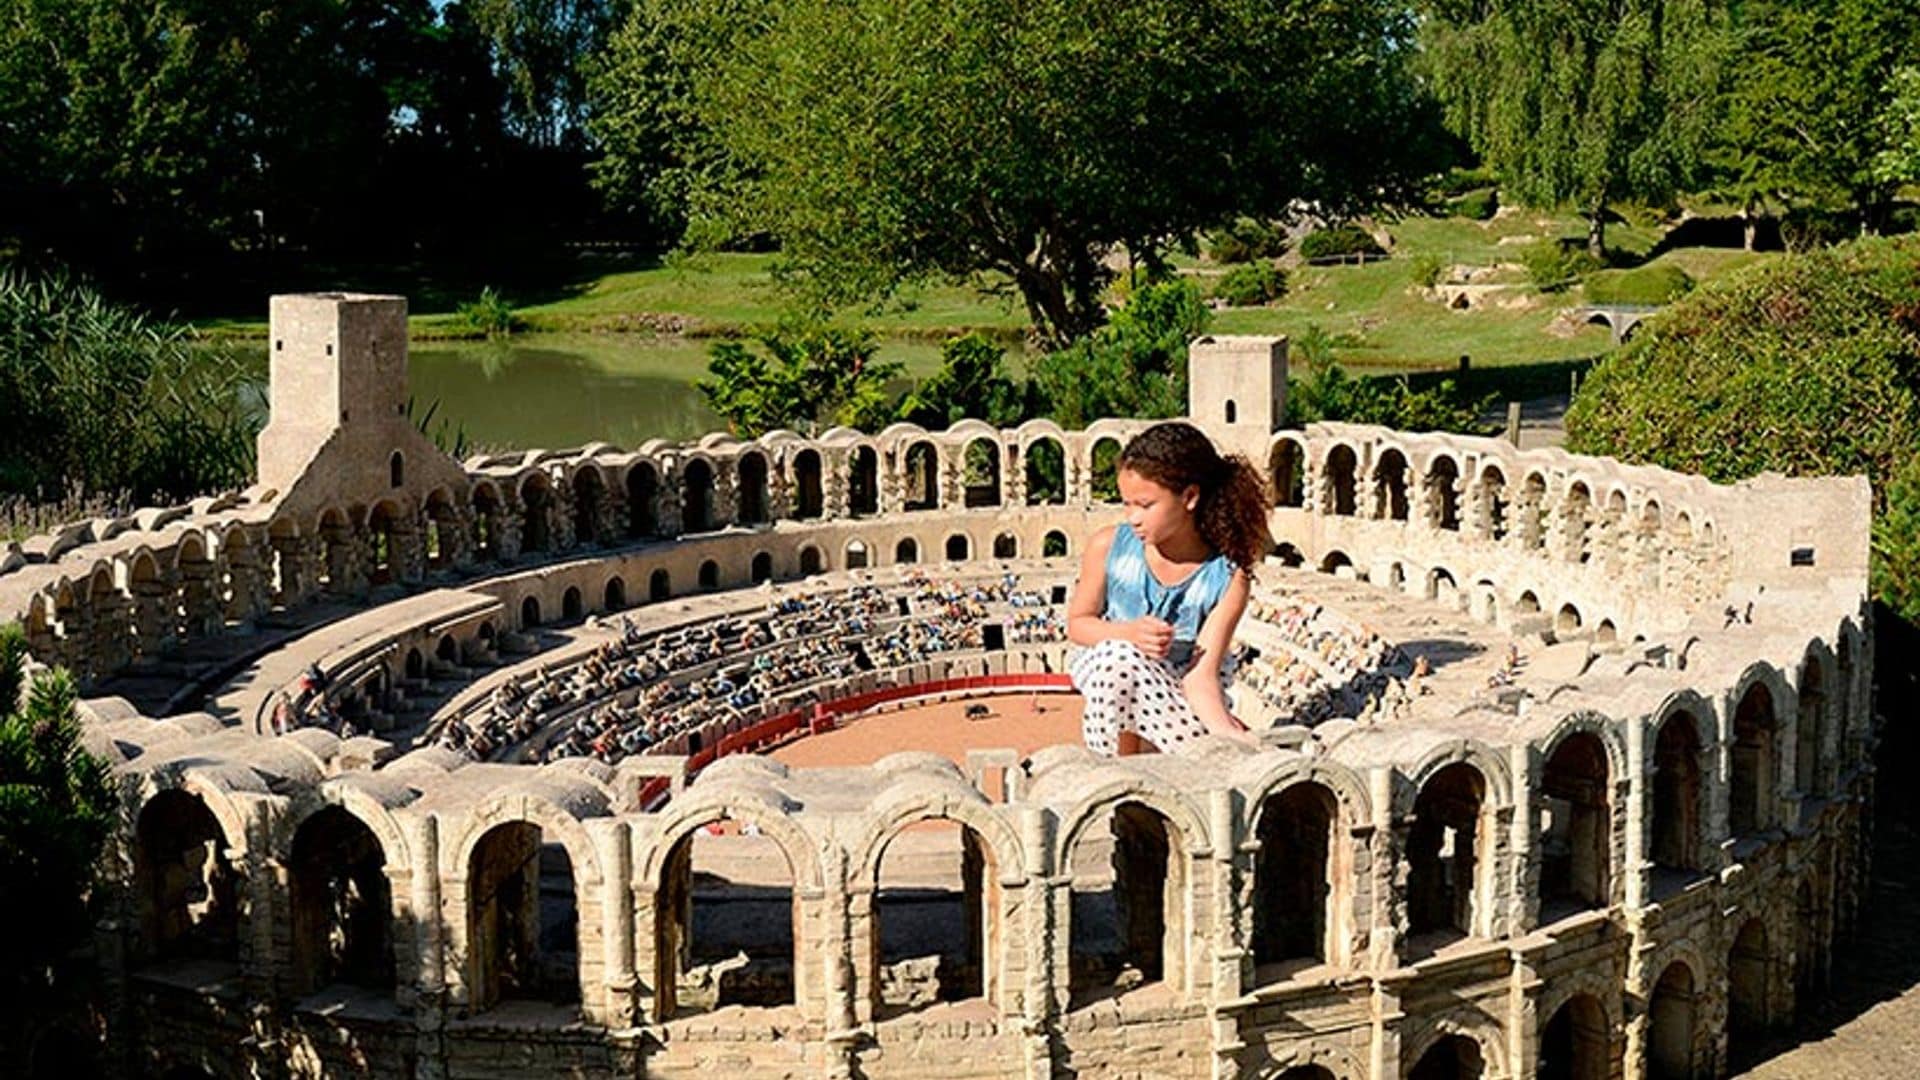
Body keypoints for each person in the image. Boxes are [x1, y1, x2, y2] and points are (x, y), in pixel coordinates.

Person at [1067, 421, 1271, 755]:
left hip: (1180, 684)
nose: (1132, 517)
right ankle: (1114, 771)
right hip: (1108, 666)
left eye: (1145, 505)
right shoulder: (1107, 546)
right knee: (1120, 659)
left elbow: (1200, 677)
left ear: (1189, 497)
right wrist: (1128, 634)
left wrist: (1225, 732)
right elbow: (1078, 624)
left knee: (1209, 748)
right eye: (1126, 504)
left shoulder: (1228, 577)